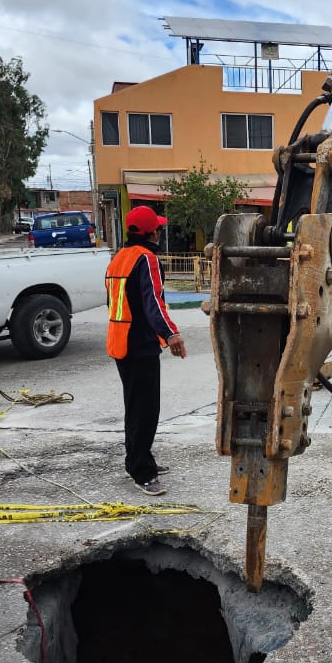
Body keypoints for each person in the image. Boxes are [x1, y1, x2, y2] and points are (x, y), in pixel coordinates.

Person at [105, 205, 187, 495]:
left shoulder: (119, 259)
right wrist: (171, 333)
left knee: (135, 407)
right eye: (159, 228)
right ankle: (142, 471)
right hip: (139, 345)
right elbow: (154, 302)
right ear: (152, 232)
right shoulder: (146, 258)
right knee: (145, 410)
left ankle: (139, 460)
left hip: (119, 342)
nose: (161, 232)